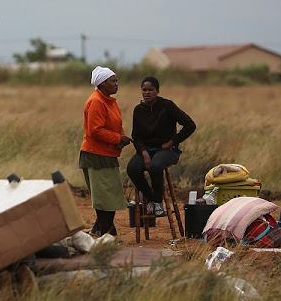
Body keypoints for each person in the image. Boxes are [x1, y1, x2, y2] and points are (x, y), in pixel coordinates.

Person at [127, 76, 196, 217]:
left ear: (157, 91)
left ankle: (158, 202)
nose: (147, 93)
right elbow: (136, 137)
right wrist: (144, 153)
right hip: (146, 150)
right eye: (144, 90)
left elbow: (190, 125)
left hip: (167, 150)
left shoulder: (167, 106)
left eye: (150, 90)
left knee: (155, 166)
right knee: (132, 169)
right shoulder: (138, 110)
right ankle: (152, 199)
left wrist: (172, 142)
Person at [79, 66, 131, 237]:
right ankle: (107, 233)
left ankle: (102, 229)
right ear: (102, 84)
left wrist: (121, 138)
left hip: (108, 154)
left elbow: (116, 125)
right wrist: (118, 139)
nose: (117, 84)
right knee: (104, 197)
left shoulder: (110, 102)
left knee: (111, 195)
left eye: (116, 80)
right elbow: (95, 130)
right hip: (96, 155)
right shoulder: (96, 102)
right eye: (113, 81)